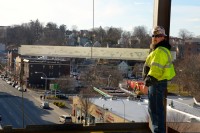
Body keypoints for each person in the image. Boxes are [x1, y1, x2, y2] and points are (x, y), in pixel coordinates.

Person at [142, 26, 176, 133]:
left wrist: (146, 84)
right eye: (154, 35)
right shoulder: (159, 50)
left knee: (155, 112)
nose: (155, 38)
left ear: (163, 38)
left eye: (159, 36)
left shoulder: (160, 51)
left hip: (156, 83)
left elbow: (156, 70)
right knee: (156, 111)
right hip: (158, 83)